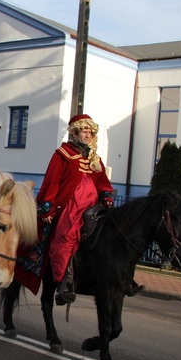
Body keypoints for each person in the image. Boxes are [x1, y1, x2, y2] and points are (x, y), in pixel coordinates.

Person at [35, 114, 115, 305]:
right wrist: (47, 209)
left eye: (90, 132)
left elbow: (103, 182)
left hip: (93, 207)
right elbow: (52, 182)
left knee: (113, 232)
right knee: (66, 237)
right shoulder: (63, 155)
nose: (88, 135)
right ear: (75, 133)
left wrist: (106, 195)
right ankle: (63, 283)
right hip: (71, 207)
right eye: (84, 131)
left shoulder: (95, 159)